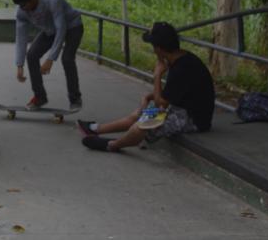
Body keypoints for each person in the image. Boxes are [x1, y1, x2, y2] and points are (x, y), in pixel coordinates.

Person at [78, 22, 215, 152]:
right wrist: (147, 97)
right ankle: (96, 129)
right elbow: (170, 95)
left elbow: (160, 104)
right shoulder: (181, 58)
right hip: (181, 108)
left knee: (143, 124)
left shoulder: (181, 69)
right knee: (140, 114)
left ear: (159, 49)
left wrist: (157, 75)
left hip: (193, 119)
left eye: (153, 46)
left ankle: (113, 145)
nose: (153, 50)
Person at [11, 0, 84, 110]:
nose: (23, 8)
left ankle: (75, 98)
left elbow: (61, 29)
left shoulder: (51, 0)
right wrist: (19, 64)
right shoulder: (21, 12)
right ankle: (40, 97)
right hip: (50, 31)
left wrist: (51, 59)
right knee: (32, 55)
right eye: (20, 5)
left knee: (67, 59)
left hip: (72, 26)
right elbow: (21, 37)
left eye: (24, 4)